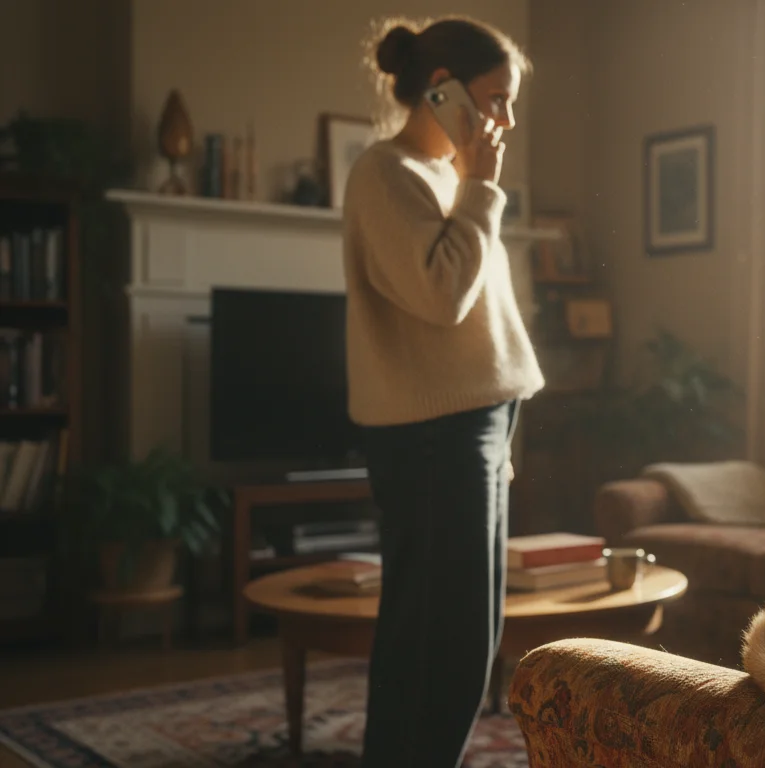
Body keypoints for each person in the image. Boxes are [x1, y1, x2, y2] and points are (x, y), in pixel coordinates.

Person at [340, 15, 544, 767]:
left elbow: (479, 335)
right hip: (435, 437)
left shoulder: (448, 179)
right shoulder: (385, 174)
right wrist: (483, 188)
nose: (507, 120)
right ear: (440, 91)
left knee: (461, 639)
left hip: (473, 430)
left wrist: (501, 442)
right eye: (496, 99)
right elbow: (442, 295)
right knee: (440, 641)